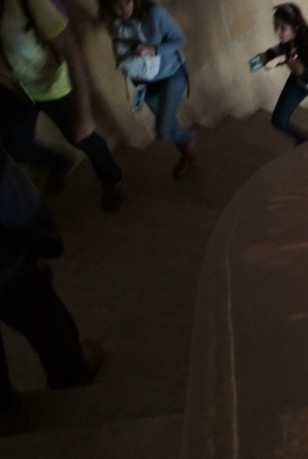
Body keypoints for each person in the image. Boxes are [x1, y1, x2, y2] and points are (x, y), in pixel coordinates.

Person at [0, 147, 102, 429]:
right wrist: (47, 245)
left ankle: (5, 412)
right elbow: (23, 209)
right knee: (46, 324)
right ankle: (71, 373)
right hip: (11, 273)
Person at [0, 0, 125, 211]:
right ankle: (57, 163)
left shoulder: (29, 4)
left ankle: (111, 177)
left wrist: (84, 114)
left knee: (83, 137)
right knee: (17, 146)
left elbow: (73, 54)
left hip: (50, 87)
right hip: (12, 90)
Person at [99, 0, 196, 178]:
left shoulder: (154, 13)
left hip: (170, 74)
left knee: (164, 130)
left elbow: (181, 40)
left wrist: (153, 49)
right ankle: (186, 153)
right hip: (143, 80)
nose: (124, 10)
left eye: (127, 2)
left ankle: (187, 140)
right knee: (167, 123)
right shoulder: (113, 21)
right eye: (117, 6)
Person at [256, 3, 308, 145]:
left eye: (282, 28)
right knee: (278, 120)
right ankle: (303, 139)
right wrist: (268, 55)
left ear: (295, 28)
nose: (278, 32)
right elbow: (282, 48)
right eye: (275, 26)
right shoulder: (289, 40)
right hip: (298, 81)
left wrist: (302, 72)